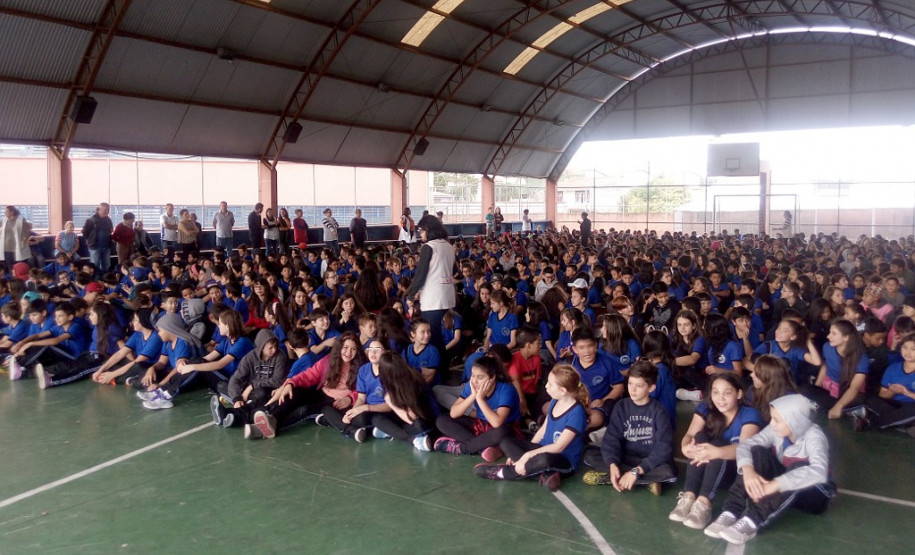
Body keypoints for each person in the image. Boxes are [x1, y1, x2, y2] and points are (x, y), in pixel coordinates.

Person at [704, 395, 835, 545]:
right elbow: (746, 445)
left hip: (814, 494)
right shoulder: (776, 429)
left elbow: (819, 471)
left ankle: (753, 521)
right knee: (757, 451)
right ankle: (731, 511)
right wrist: (748, 471)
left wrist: (775, 485)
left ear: (795, 421)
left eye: (777, 420)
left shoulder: (814, 436)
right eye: (772, 418)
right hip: (783, 486)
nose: (772, 424)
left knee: (800, 467)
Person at [473, 364, 589, 491]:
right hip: (543, 450)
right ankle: (544, 475)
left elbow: (558, 447)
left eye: (550, 384)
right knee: (506, 441)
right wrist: (523, 453)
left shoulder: (576, 413)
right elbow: (543, 430)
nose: (546, 386)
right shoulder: (555, 401)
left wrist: (527, 456)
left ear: (563, 390)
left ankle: (503, 473)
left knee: (544, 459)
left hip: (563, 461)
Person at [669, 373, 762, 530]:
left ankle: (704, 504)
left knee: (718, 443)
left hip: (734, 474)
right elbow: (689, 435)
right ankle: (689, 496)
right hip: (708, 466)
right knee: (699, 437)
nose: (720, 398)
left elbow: (744, 449)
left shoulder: (750, 413)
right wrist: (687, 448)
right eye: (715, 392)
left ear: (739, 394)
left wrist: (715, 452)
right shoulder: (705, 408)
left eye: (727, 393)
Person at [580, 361, 676, 495]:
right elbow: (611, 439)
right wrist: (613, 464)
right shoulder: (621, 406)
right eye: (630, 383)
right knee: (589, 454)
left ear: (651, 388)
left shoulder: (659, 411)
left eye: (639, 385)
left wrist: (637, 470)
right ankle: (645, 481)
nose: (633, 389)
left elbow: (663, 448)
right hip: (626, 457)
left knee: (668, 471)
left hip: (648, 460)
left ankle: (615, 477)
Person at [434, 355, 521, 461]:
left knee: (502, 432)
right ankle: (483, 447)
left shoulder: (506, 389)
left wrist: (480, 399)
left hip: (504, 428)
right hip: (480, 425)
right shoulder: (471, 386)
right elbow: (454, 413)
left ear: (492, 377)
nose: (475, 381)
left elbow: (497, 422)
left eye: (480, 377)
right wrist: (472, 396)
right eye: (473, 376)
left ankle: (463, 448)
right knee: (442, 420)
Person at [404, 214, 456, 381]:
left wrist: (411, 294)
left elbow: (421, 274)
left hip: (433, 297)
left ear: (429, 230)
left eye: (421, 231)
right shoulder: (448, 246)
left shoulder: (429, 247)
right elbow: (455, 270)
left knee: (430, 336)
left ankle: (437, 373)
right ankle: (443, 371)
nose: (420, 234)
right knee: (437, 337)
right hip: (447, 295)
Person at [211, 329, 289, 429]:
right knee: (222, 385)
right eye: (270, 348)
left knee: (261, 393)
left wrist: (252, 386)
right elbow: (236, 379)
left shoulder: (280, 356)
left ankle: (231, 414)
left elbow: (277, 381)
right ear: (261, 347)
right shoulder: (250, 357)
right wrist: (236, 398)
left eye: (275, 346)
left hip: (269, 391)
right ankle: (238, 406)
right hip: (250, 391)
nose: (274, 350)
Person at [851, 333, 915, 434]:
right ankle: (900, 422)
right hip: (893, 406)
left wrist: (908, 393)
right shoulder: (893, 368)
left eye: (913, 349)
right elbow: (882, 395)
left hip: (912, 406)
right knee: (868, 398)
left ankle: (869, 421)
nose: (908, 352)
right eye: (905, 347)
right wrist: (892, 391)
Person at [81, 202, 113, 273]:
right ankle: (94, 281)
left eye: (108, 210)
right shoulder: (91, 220)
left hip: (107, 246)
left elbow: (110, 230)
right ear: (98, 210)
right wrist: (88, 240)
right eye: (105, 210)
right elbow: (85, 232)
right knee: (94, 266)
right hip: (95, 247)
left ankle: (105, 280)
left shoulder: (108, 220)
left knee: (107, 265)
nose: (107, 212)